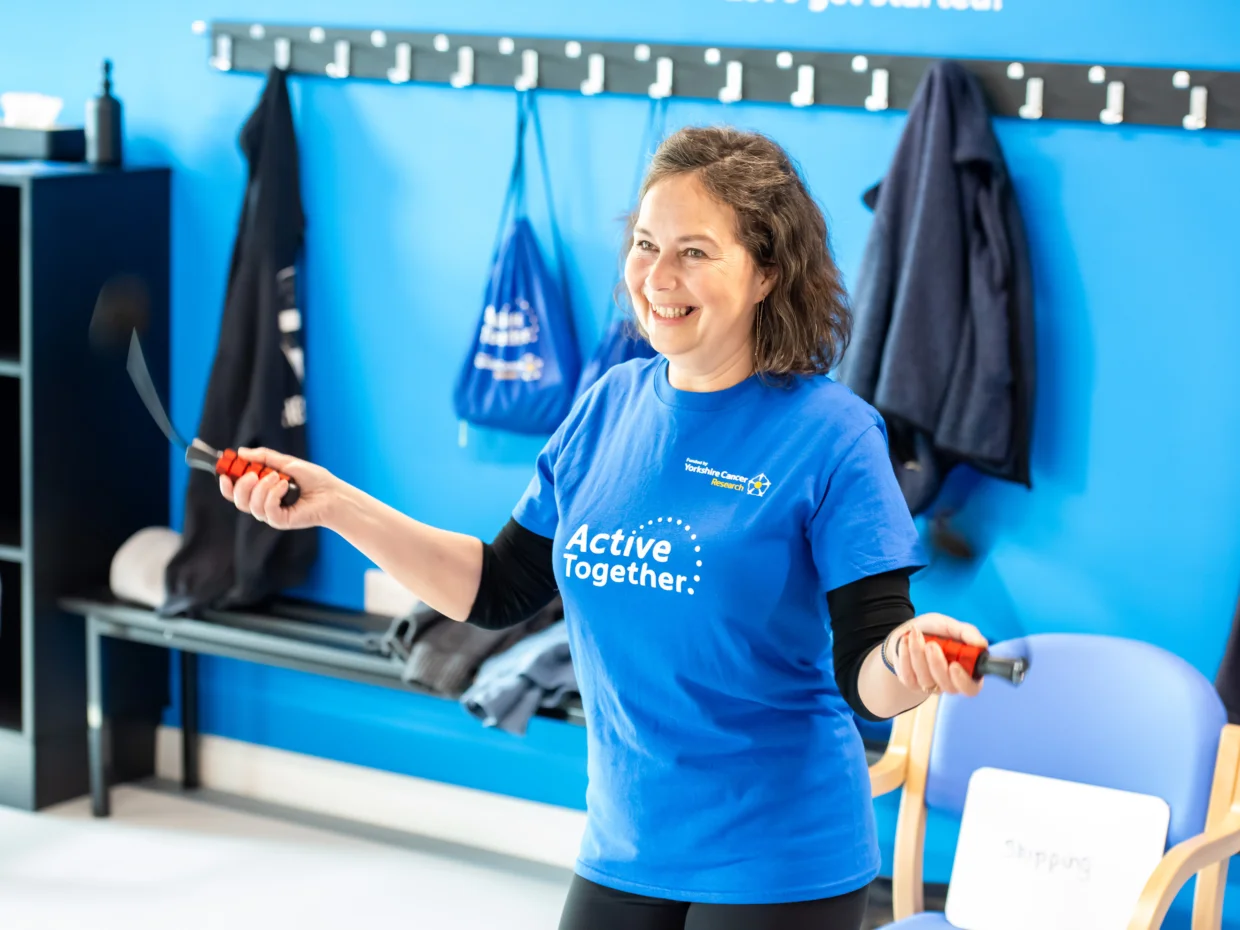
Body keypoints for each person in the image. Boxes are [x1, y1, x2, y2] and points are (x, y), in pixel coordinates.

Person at [220, 125, 989, 930]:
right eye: (647, 244)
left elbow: (868, 665)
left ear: (766, 272)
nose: (657, 277)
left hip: (780, 855)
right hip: (627, 841)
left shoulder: (834, 435)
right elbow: (499, 587)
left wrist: (910, 658)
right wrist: (335, 502)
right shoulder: (608, 406)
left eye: (695, 251)